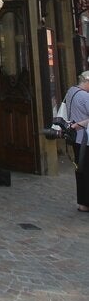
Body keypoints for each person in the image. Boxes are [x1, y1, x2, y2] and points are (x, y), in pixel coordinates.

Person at [63, 70, 89, 213]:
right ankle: (86, 202)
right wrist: (80, 124)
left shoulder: (71, 91)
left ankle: (82, 203)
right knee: (86, 171)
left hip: (75, 139)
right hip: (86, 138)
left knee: (80, 170)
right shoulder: (85, 97)